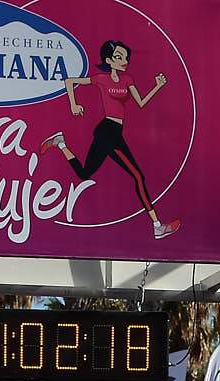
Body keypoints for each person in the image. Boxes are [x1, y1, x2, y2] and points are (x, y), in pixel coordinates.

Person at [43, 39, 180, 240]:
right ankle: (157, 226)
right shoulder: (101, 79)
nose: (124, 61)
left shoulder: (127, 79)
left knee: (84, 174)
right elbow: (69, 82)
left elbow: (141, 103)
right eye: (118, 57)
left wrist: (157, 86)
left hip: (114, 132)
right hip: (107, 131)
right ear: (109, 60)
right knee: (138, 176)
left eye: (125, 57)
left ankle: (60, 143)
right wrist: (74, 104)